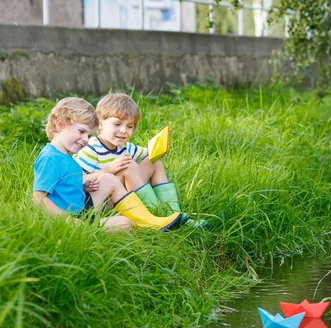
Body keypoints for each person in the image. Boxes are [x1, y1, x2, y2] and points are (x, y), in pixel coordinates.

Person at [32, 97, 182, 232]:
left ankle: (150, 220)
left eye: (89, 135)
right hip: (72, 219)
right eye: (81, 131)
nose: (85, 139)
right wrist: (69, 221)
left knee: (109, 180)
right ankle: (92, 229)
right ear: (60, 125)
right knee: (125, 223)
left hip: (81, 208)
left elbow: (65, 188)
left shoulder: (67, 156)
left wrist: (84, 187)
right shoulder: (50, 158)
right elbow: (38, 196)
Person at [74, 93, 207, 228]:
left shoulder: (125, 147)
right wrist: (108, 170)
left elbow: (149, 154)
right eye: (117, 124)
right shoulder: (91, 148)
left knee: (153, 162)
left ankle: (173, 213)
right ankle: (155, 215)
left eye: (129, 126)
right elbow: (78, 180)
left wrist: (159, 149)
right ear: (100, 124)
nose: (123, 130)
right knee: (128, 166)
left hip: (127, 195)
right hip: (105, 200)